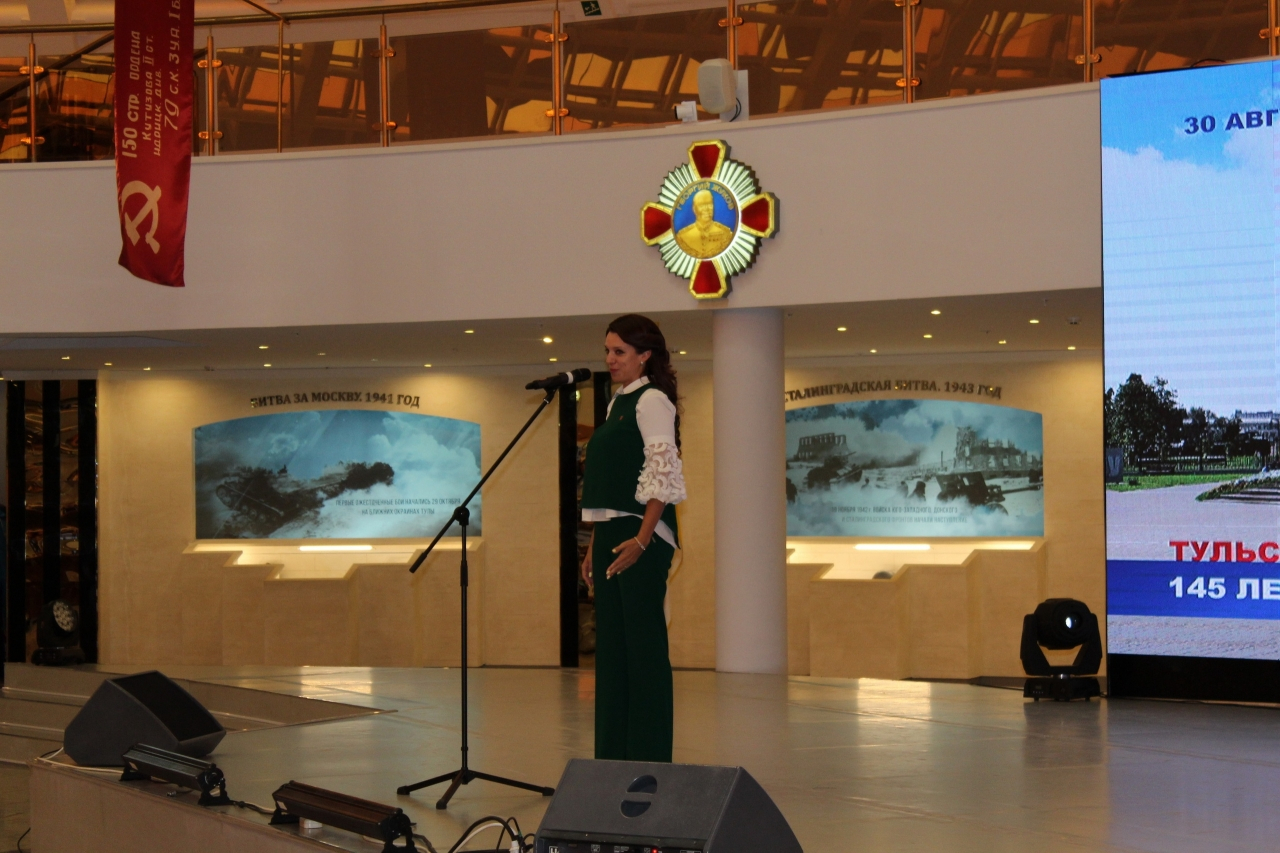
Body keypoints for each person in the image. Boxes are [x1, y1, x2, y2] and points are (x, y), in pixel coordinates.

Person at [580, 314, 687, 762]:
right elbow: (609, 485)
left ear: (644, 355)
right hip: (612, 533)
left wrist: (642, 540)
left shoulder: (653, 400)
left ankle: (649, 757)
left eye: (619, 351)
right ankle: (612, 758)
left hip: (641, 534)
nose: (610, 359)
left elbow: (663, 476)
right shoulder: (616, 404)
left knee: (643, 651)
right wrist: (593, 545)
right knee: (612, 653)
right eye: (607, 350)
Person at [675, 188, 734, 258]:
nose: (707, 209)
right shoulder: (682, 237)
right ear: (694, 209)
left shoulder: (726, 234)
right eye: (702, 205)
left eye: (710, 205)